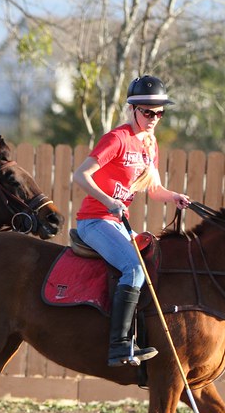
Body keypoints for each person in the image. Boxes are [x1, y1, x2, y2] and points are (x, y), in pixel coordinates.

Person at [72, 75, 190, 367]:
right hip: (95, 221)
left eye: (159, 113)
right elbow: (80, 176)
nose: (153, 118)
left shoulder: (150, 145)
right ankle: (119, 346)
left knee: (153, 263)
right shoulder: (117, 139)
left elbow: (154, 189)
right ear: (133, 109)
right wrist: (109, 201)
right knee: (134, 269)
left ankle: (138, 338)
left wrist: (174, 196)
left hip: (115, 222)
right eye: (148, 112)